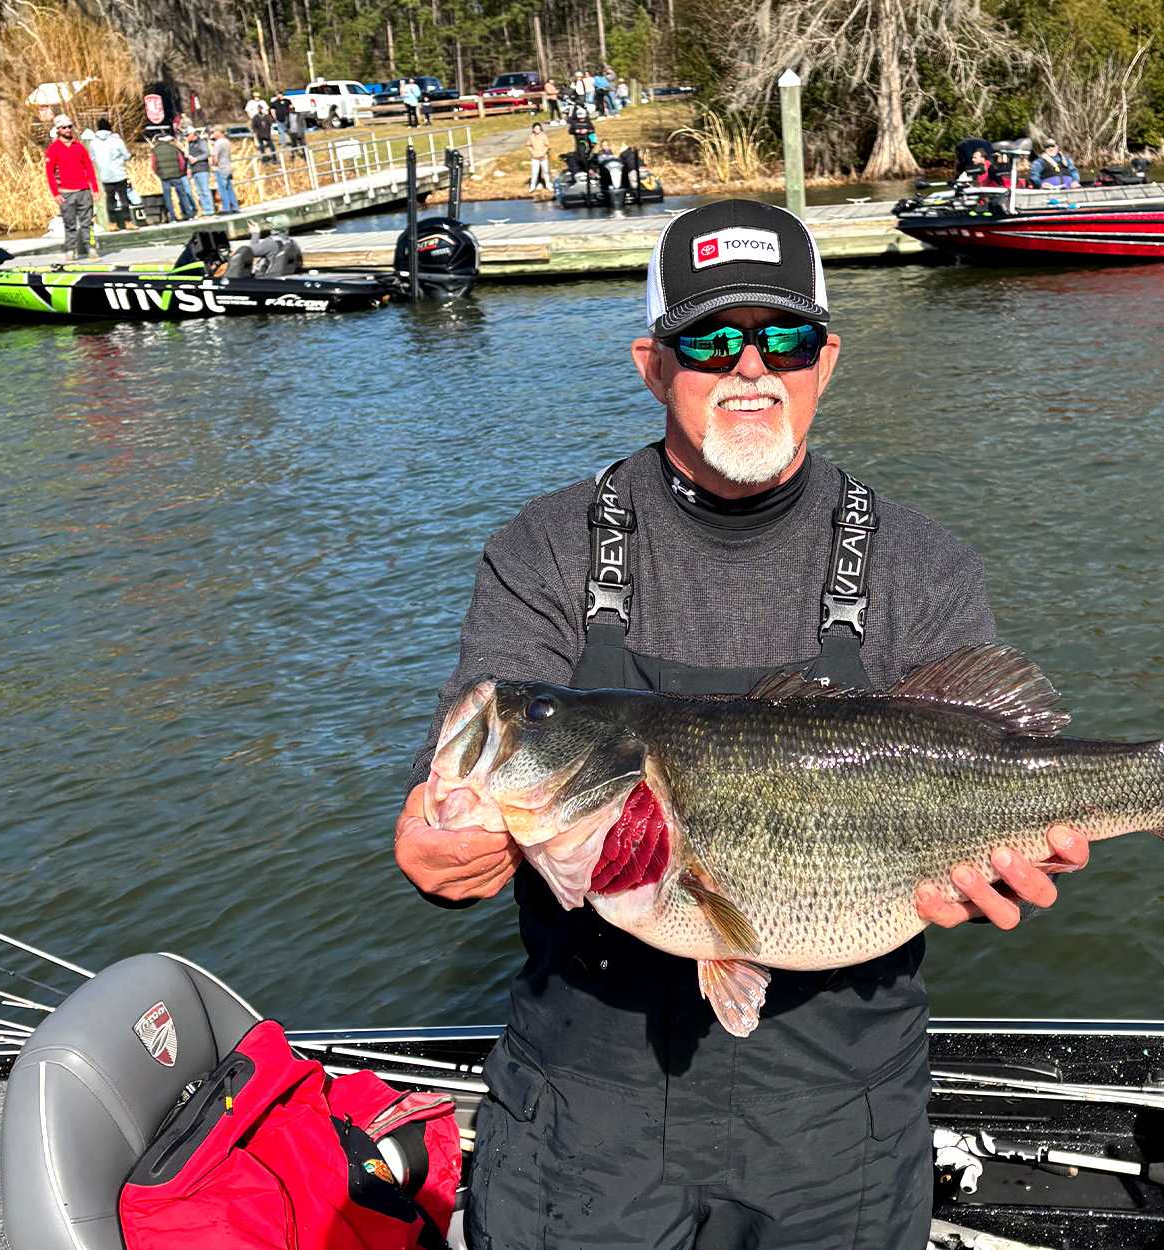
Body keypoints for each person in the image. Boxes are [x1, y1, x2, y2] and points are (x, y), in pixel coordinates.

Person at [393, 199, 1088, 1250]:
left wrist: (993, 865)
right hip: (587, 1104)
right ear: (650, 362)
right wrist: (441, 837)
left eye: (786, 337)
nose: (751, 367)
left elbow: (982, 751)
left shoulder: (921, 563)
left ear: (828, 359)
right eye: (711, 339)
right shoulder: (543, 549)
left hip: (839, 1107)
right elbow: (472, 767)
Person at [44, 114, 99, 261]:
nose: (68, 130)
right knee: (69, 225)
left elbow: (89, 168)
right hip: (66, 193)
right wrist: (55, 193)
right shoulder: (53, 149)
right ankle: (70, 251)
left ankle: (91, 250)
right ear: (58, 130)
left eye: (69, 127)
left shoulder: (79, 147)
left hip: (84, 191)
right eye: (64, 127)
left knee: (88, 224)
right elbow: (49, 172)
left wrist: (94, 189)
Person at [86, 118, 135, 231]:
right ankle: (128, 222)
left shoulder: (94, 142)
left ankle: (112, 223)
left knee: (110, 199)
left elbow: (92, 158)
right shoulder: (116, 140)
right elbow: (126, 156)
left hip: (105, 176)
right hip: (119, 174)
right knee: (123, 198)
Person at [151, 133, 195, 221]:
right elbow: (182, 162)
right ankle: (189, 214)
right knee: (182, 195)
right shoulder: (174, 149)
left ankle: (172, 217)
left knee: (168, 197)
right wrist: (180, 172)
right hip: (176, 176)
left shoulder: (154, 151)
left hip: (164, 178)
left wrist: (159, 174)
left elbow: (154, 165)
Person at [185, 126, 215, 215]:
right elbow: (189, 158)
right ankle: (205, 210)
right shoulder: (190, 145)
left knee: (205, 190)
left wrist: (196, 159)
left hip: (202, 169)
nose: (186, 137)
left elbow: (206, 154)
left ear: (193, 134)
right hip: (194, 171)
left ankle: (210, 210)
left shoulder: (201, 142)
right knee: (199, 192)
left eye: (187, 135)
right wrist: (189, 168)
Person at [210, 127, 240, 213]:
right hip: (228, 167)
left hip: (221, 168)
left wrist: (214, 165)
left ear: (219, 133)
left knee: (222, 189)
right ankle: (235, 206)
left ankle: (226, 208)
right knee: (229, 188)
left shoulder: (218, 143)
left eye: (215, 132)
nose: (214, 134)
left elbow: (215, 157)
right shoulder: (227, 141)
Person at [526, 121, 551, 193]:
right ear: (533, 129)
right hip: (535, 157)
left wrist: (544, 152)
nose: (537, 130)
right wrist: (532, 152)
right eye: (536, 129)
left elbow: (547, 145)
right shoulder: (531, 137)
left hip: (543, 157)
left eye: (539, 129)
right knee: (534, 172)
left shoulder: (544, 136)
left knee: (546, 172)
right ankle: (532, 186)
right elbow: (528, 145)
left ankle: (548, 185)